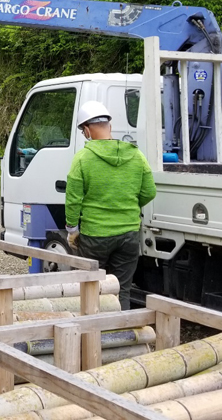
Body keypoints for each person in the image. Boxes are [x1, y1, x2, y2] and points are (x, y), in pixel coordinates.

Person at [65, 101, 156, 310]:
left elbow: (73, 199)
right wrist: (127, 205)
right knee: (122, 289)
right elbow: (149, 191)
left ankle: (92, 336)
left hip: (95, 235)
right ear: (110, 126)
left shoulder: (83, 159)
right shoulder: (136, 155)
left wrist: (72, 229)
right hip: (128, 234)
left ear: (87, 130)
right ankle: (120, 334)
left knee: (91, 287)